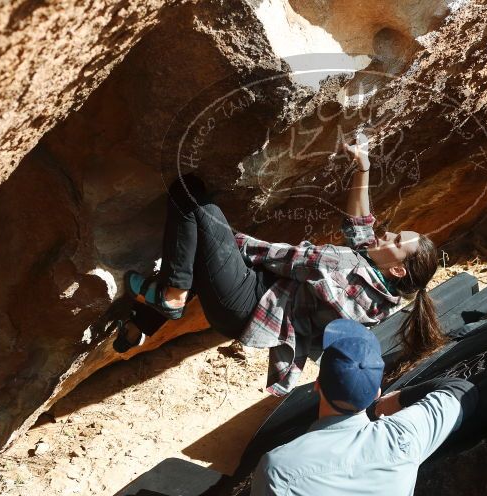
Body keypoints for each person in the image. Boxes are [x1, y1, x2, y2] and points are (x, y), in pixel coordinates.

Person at [115, 133, 445, 395]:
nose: (386, 235)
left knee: (190, 199)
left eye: (396, 242)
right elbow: (360, 226)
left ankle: (172, 295)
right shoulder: (382, 292)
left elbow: (275, 255)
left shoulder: (343, 268)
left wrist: (226, 237)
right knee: (200, 248)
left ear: (398, 268)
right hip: (255, 303)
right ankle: (140, 326)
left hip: (245, 304)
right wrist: (363, 167)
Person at [240, 318, 478, 496]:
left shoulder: (279, 468)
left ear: (317, 385)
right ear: (377, 392)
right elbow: (462, 390)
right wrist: (399, 399)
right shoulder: (404, 437)